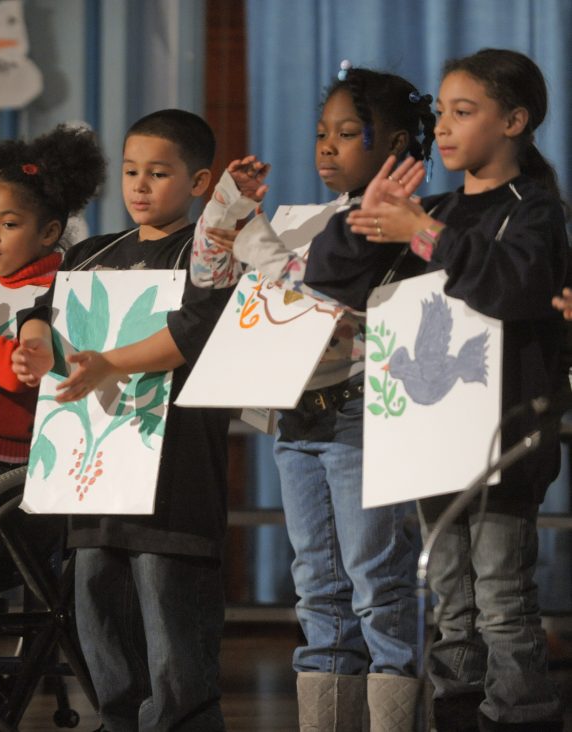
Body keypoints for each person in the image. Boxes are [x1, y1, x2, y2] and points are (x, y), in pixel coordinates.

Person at [200, 67, 437, 731]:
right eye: (319, 134)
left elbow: (314, 289)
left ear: (392, 143)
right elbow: (242, 283)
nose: (326, 147)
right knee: (318, 587)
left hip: (361, 415)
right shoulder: (307, 218)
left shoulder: (391, 219)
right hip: (297, 415)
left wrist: (252, 239)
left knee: (379, 582)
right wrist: (232, 224)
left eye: (345, 133)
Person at [346, 48, 568, 731]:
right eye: (440, 112)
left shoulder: (535, 209)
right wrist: (371, 218)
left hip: (503, 441)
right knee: (449, 595)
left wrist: (424, 233)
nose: (442, 127)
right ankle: (457, 707)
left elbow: (513, 285)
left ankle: (520, 713)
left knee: (501, 591)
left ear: (515, 121)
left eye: (463, 112)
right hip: (432, 439)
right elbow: (339, 277)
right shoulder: (434, 208)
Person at [11, 109, 231, 731]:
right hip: (96, 473)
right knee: (96, 612)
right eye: (132, 171)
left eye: (158, 173)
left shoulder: (206, 253)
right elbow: (43, 308)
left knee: (171, 622)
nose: (140, 186)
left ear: (199, 182)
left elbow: (194, 330)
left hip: (175, 480)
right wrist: (33, 339)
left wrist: (109, 362)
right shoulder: (92, 253)